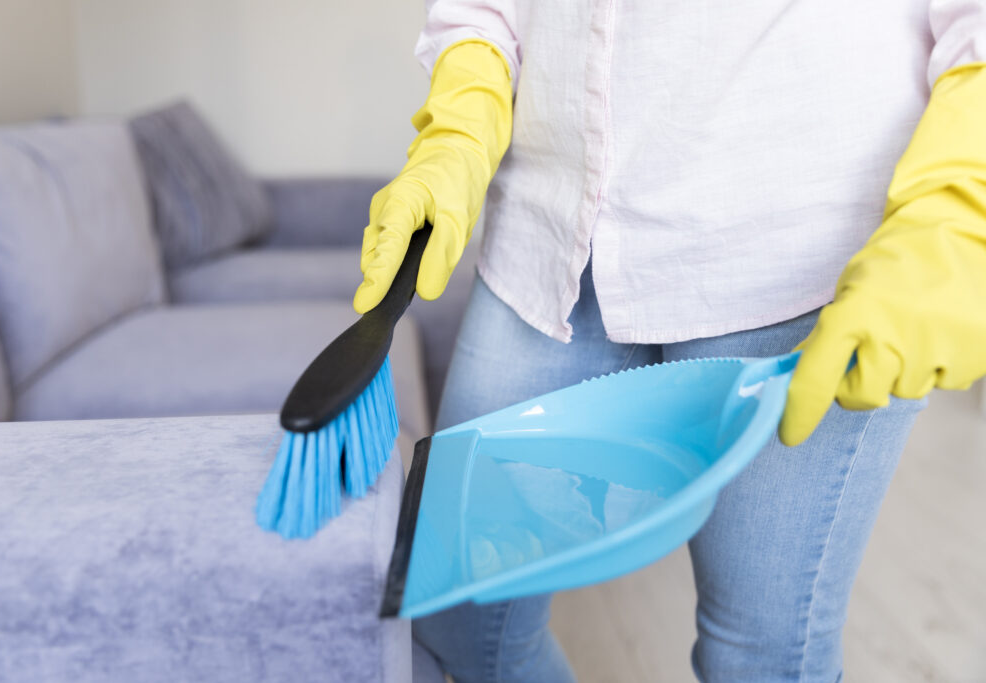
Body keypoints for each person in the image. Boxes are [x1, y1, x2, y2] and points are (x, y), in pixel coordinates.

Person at [354, 2, 986, 681]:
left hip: (797, 257)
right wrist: (457, 132)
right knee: (451, 611)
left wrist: (955, 218)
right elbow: (484, 12)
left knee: (756, 657)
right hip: (547, 242)